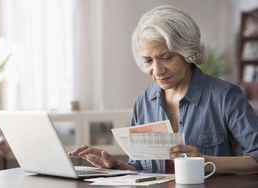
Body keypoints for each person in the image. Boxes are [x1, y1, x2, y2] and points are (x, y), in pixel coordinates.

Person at [70, 5, 258, 174]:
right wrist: (118, 165)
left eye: (167, 57)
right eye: (148, 61)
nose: (157, 71)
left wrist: (205, 162)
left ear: (187, 53)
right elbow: (142, 168)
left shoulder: (225, 96)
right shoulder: (144, 101)